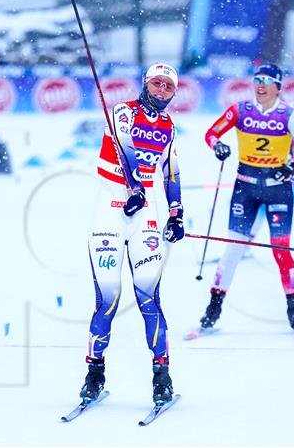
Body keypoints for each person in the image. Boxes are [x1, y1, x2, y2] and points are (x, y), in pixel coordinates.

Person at [80, 63, 185, 407]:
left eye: (168, 87)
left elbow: (171, 170)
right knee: (108, 297)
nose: (161, 91)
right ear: (145, 84)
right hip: (111, 206)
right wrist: (134, 187)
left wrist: (176, 213)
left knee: (148, 295)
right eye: (156, 83)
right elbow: (124, 147)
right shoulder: (124, 111)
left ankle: (162, 376)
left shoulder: (168, 126)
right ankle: (95, 373)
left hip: (146, 213)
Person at [196, 63, 294, 339]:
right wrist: (219, 146)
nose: (260, 86)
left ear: (278, 87)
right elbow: (211, 133)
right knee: (233, 250)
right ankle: (213, 309)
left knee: (280, 250)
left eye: (267, 81)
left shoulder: (289, 114)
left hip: (278, 190)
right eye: (257, 80)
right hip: (245, 190)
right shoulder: (240, 110)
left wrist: (293, 166)